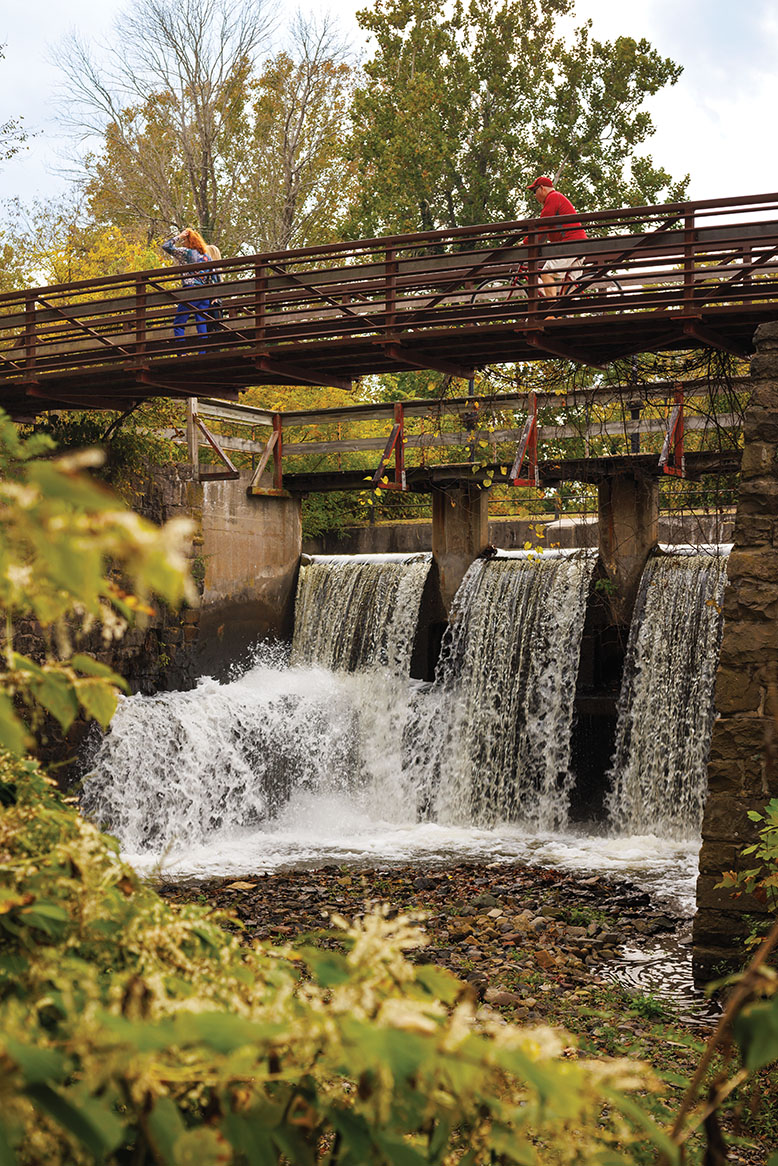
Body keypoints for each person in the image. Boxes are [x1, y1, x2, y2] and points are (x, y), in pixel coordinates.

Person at [524, 177, 587, 299]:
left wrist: (526, 242)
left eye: (534, 192)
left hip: (570, 244)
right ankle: (565, 316)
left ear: (542, 189)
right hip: (579, 245)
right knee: (568, 289)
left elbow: (542, 226)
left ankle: (551, 312)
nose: (535, 196)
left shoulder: (553, 197)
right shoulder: (557, 198)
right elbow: (545, 231)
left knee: (546, 274)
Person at [161, 228, 211, 339]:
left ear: (189, 241)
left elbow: (166, 246)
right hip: (204, 293)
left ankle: (181, 353)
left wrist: (179, 236)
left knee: (179, 324)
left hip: (191, 291)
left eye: (184, 241)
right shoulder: (207, 257)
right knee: (201, 324)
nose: (183, 243)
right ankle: (202, 353)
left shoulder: (186, 252)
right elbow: (211, 276)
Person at [204, 243, 223, 334]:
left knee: (210, 329)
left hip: (212, 303)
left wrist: (214, 297)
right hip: (216, 303)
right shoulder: (218, 272)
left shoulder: (212, 271)